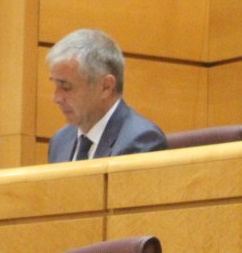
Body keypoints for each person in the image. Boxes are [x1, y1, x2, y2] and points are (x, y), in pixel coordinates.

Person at [46, 28, 167, 163]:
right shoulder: (60, 141)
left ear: (106, 87)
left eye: (66, 87)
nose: (56, 98)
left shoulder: (142, 143)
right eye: (55, 84)